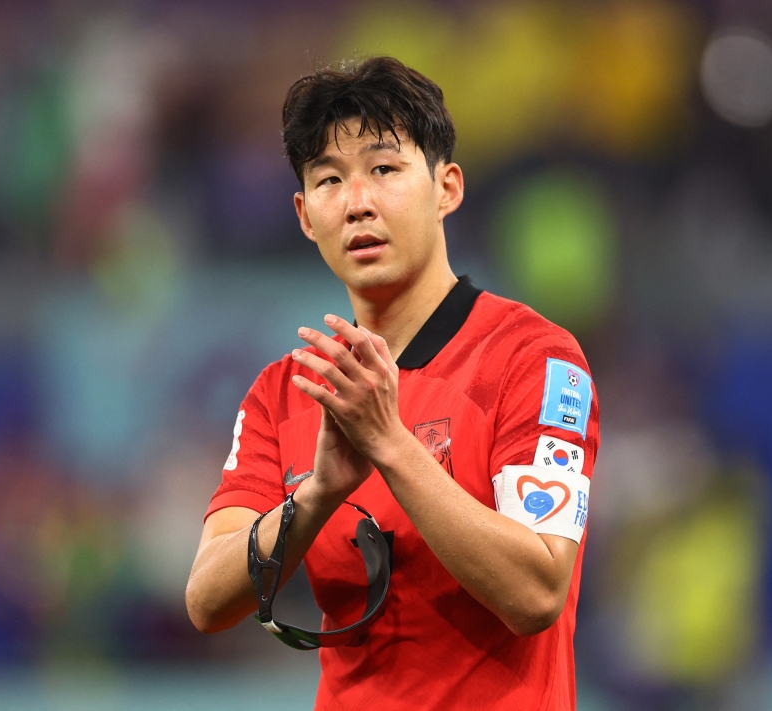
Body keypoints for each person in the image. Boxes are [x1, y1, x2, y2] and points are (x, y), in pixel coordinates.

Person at [185, 56, 600, 711]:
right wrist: (318, 494)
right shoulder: (286, 390)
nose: (357, 202)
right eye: (328, 179)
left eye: (384, 169)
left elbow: (537, 593)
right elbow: (207, 597)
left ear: (448, 188)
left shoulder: (536, 359)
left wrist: (390, 444)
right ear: (303, 213)